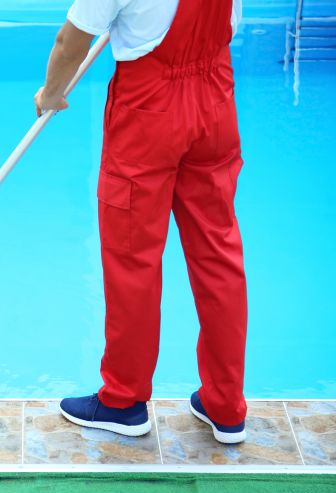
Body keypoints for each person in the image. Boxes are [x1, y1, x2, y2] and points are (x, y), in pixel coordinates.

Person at [35, 0, 248, 444]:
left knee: (133, 260)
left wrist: (51, 92)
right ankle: (225, 406)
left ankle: (122, 401)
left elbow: (70, 39)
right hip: (215, 103)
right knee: (219, 255)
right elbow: (227, 25)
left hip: (149, 112)